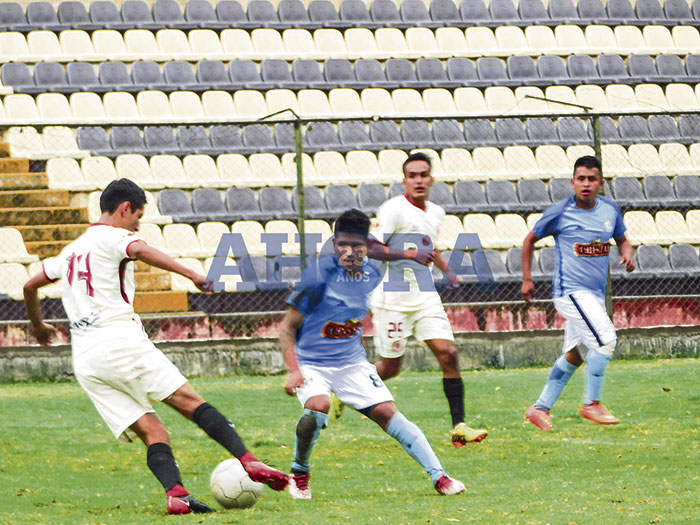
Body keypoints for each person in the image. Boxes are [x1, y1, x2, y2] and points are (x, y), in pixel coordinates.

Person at [23, 179, 289, 515]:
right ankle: (249, 461)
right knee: (189, 401)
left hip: (87, 359)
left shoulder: (71, 251)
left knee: (152, 429)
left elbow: (29, 285)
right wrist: (192, 274)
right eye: (138, 217)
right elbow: (141, 250)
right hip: (119, 342)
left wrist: (38, 326)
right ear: (125, 208)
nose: (138, 225)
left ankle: (177, 495)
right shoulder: (115, 237)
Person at [280, 208, 466, 499]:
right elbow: (286, 328)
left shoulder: (371, 273)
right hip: (312, 363)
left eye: (357, 245)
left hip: (352, 362)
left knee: (388, 413)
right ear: (334, 244)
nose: (350, 251)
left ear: (367, 246)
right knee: (318, 405)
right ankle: (299, 472)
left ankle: (440, 477)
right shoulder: (317, 277)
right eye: (343, 244)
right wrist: (294, 370)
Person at [363, 151, 488, 447]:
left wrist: (449, 272)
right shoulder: (393, 209)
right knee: (391, 368)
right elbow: (370, 246)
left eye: (423, 175)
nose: (418, 180)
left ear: (432, 179)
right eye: (412, 176)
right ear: (404, 181)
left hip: (424, 296)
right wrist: (408, 254)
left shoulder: (436, 212)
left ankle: (459, 427)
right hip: (392, 300)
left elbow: (429, 249)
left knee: (448, 354)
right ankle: (348, 386)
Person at [521, 156, 635, 431]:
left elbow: (622, 239)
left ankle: (539, 408)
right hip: (570, 292)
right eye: (581, 179)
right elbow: (529, 240)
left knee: (576, 354)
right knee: (606, 340)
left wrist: (627, 254)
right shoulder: (560, 212)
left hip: (593, 295)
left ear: (601, 183)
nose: (586, 184)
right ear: (572, 182)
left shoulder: (610, 209)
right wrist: (527, 278)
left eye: (591, 179)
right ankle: (591, 403)